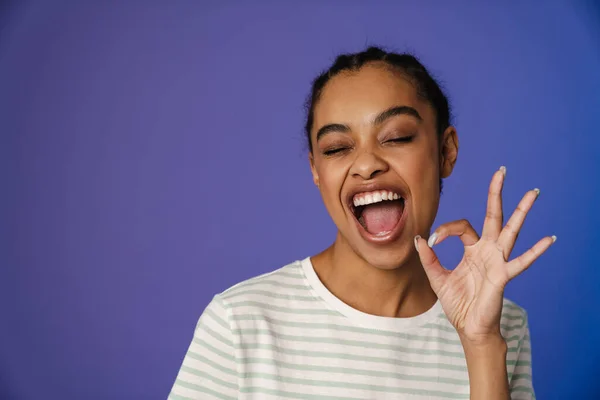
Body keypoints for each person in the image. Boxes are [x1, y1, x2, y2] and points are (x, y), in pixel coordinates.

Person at [167, 46, 554, 399]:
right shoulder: (239, 323)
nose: (367, 164)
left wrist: (482, 345)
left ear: (445, 151)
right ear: (316, 170)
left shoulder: (499, 324)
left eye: (397, 137)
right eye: (336, 148)